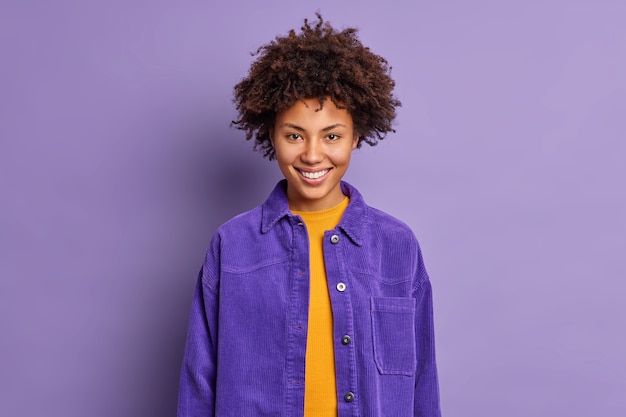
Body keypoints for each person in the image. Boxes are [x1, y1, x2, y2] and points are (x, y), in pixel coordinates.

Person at [178, 13, 441, 417]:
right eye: (294, 135)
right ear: (272, 136)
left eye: (332, 135)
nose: (313, 154)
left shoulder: (397, 246)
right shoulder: (232, 245)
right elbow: (199, 381)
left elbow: (422, 381)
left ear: (356, 136)